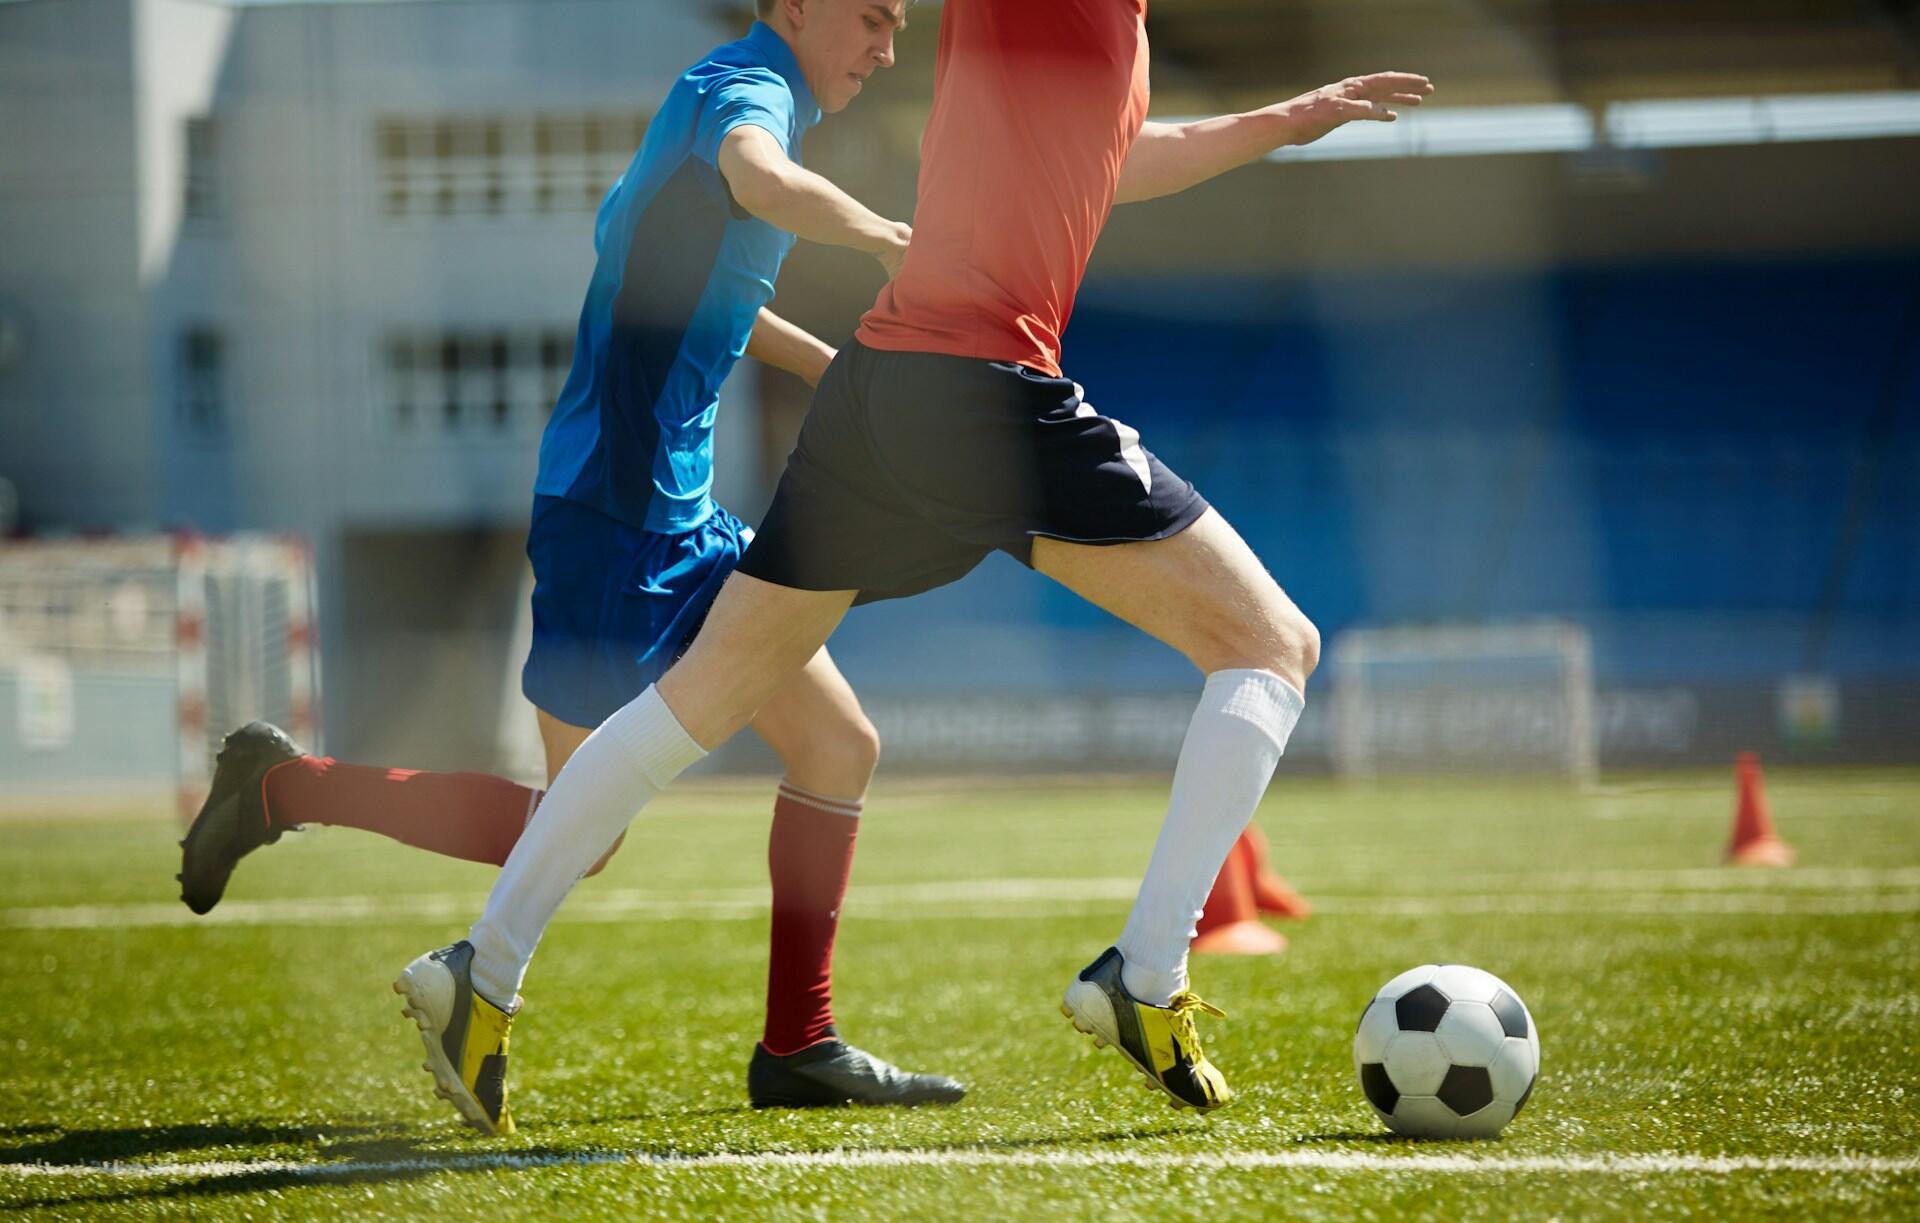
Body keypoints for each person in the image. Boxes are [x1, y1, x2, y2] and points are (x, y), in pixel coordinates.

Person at [395, 0, 1433, 1129]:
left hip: (879, 391)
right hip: (984, 394)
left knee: (702, 699)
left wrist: (1286, 119)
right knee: (1272, 645)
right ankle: (1145, 975)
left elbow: (1112, 160)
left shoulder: (1116, 32)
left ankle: (483, 969)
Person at [183, 0, 966, 1133]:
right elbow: (761, 180)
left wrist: (829, 367)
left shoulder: (719, 102)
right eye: (872, 18)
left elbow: (711, 295)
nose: (889, 49)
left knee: (838, 744)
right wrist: (893, 238)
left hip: (687, 520)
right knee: (577, 832)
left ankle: (799, 1042)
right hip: (611, 518)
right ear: (795, 7)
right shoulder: (745, 99)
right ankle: (284, 788)